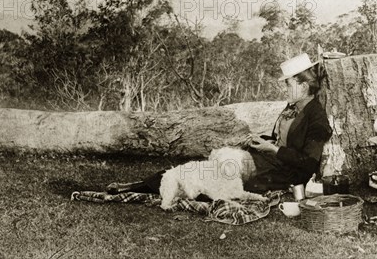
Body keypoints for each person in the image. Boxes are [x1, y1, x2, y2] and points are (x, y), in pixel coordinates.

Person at [106, 53, 332, 195]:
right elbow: (281, 139)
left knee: (209, 176)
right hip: (266, 162)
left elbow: (308, 164)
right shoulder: (292, 107)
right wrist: (262, 142)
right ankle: (138, 185)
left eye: (289, 84)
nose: (285, 89)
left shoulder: (316, 117)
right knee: (201, 169)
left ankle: (138, 187)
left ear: (304, 86)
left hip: (282, 175)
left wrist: (273, 149)